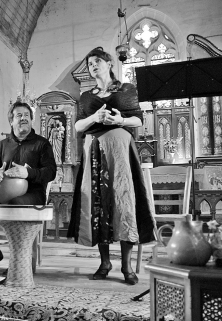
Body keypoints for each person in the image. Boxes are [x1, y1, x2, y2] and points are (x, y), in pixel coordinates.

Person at [67, 47, 155, 285]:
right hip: (94, 149)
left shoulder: (127, 89)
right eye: (89, 64)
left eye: (97, 61)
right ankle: (105, 263)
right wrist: (94, 118)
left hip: (120, 151)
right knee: (99, 205)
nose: (92, 66)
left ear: (108, 63)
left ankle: (126, 267)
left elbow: (139, 118)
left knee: (123, 203)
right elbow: (77, 127)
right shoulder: (86, 97)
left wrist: (120, 120)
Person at [0, 101, 57, 270]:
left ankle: (19, 260)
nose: (23, 118)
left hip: (33, 193)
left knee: (15, 204)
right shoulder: (3, 145)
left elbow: (51, 172)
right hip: (4, 193)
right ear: (11, 121)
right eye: (19, 115)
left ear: (32, 120)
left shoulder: (42, 144)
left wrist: (29, 173)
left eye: (27, 116)